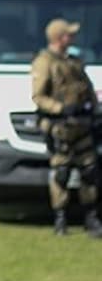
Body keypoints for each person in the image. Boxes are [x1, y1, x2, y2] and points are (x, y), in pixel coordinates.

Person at [31, 18, 102, 238]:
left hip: (82, 125)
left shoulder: (74, 62)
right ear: (59, 37)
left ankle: (91, 218)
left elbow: (88, 89)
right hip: (60, 126)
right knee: (61, 173)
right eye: (68, 34)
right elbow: (38, 96)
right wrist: (60, 108)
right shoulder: (44, 63)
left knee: (90, 171)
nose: (72, 38)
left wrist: (94, 110)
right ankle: (60, 219)